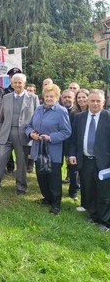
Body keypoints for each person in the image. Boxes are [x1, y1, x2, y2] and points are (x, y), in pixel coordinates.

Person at [0, 73, 39, 194]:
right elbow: (1, 117)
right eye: (15, 82)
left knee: (21, 163)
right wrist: (0, 130)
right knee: (0, 158)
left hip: (23, 134)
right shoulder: (6, 97)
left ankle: (21, 187)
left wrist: (33, 133)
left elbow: (37, 118)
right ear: (11, 83)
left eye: (19, 82)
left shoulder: (33, 98)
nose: (17, 84)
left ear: (24, 84)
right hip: (6, 133)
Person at [26, 83, 71, 215]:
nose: (49, 98)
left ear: (57, 97)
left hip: (53, 151)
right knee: (41, 175)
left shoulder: (61, 111)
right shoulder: (38, 109)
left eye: (52, 96)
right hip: (38, 149)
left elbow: (66, 132)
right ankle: (47, 198)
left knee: (54, 178)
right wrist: (31, 133)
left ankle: (56, 204)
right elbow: (29, 125)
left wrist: (50, 137)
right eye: (46, 96)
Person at [69, 89, 110, 232]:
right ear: (87, 102)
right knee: (89, 188)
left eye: (98, 101)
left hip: (104, 163)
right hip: (85, 160)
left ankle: (104, 221)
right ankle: (93, 215)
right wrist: (72, 155)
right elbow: (73, 138)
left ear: (103, 102)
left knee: (104, 191)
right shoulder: (80, 117)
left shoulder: (108, 117)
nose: (95, 103)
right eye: (92, 100)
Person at [68, 88, 90, 212]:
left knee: (87, 177)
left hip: (89, 150)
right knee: (75, 172)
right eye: (79, 97)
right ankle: (75, 193)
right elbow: (72, 134)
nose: (81, 99)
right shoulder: (74, 113)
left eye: (84, 97)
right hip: (77, 149)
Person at [3, 67, 22, 175]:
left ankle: (21, 168)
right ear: (10, 79)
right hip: (8, 124)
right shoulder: (4, 92)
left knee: (20, 149)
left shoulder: (26, 93)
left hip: (21, 126)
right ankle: (10, 167)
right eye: (12, 78)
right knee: (8, 147)